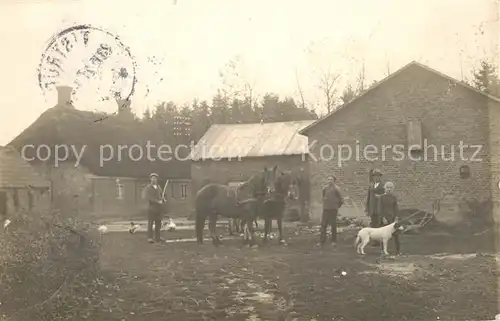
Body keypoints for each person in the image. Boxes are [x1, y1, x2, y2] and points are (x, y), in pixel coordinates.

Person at [378, 181, 401, 255]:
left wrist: (396, 218)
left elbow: (396, 209)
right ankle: (383, 250)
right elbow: (379, 208)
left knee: (396, 235)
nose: (389, 189)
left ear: (393, 189)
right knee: (383, 235)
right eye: (387, 188)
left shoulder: (394, 198)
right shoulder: (381, 197)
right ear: (385, 188)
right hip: (384, 219)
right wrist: (383, 218)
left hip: (392, 219)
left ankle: (397, 250)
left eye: (391, 188)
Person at [320, 175, 344, 246]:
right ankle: (322, 241)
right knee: (323, 225)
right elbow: (323, 196)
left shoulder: (337, 189)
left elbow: (341, 199)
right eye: (328, 179)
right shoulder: (324, 188)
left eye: (331, 179)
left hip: (333, 210)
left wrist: (336, 206)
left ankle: (334, 241)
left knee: (333, 225)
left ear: (334, 181)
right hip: (326, 209)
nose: (329, 181)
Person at [144, 173, 164, 243]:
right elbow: (148, 197)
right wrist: (157, 201)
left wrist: (163, 199)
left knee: (158, 223)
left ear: (157, 179)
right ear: (150, 179)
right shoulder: (148, 188)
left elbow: (161, 196)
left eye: (155, 178)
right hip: (152, 208)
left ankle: (157, 237)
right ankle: (150, 238)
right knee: (150, 223)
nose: (154, 179)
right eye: (152, 178)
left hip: (159, 209)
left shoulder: (159, 187)